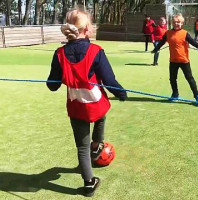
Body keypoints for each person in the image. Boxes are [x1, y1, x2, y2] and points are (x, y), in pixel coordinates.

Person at [46, 8, 127, 197]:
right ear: (88, 28)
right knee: (101, 114)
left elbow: (52, 85)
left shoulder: (59, 54)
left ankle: (89, 183)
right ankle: (97, 144)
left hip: (76, 107)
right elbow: (109, 81)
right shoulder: (95, 51)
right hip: (96, 103)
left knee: (81, 147)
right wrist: (121, 94)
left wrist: (57, 78)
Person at [152, 14, 198, 106]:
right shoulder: (168, 33)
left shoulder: (185, 33)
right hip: (173, 61)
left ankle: (197, 96)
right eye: (175, 22)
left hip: (184, 61)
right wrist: (155, 50)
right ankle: (175, 94)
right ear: (173, 23)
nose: (177, 24)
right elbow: (161, 43)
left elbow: (195, 44)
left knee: (190, 79)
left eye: (179, 22)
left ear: (182, 23)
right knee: (172, 79)